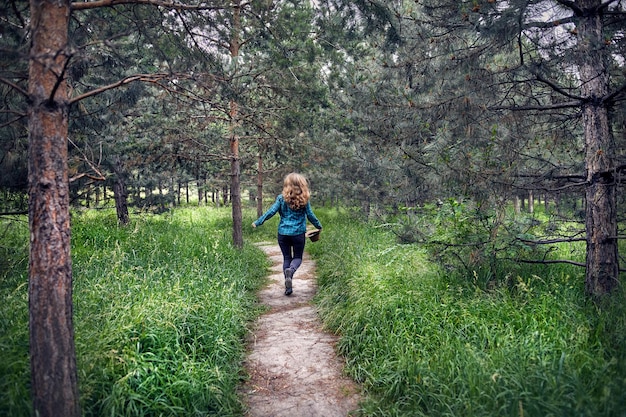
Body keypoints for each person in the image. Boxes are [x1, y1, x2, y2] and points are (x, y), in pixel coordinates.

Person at [252, 173, 322, 296]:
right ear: (302, 185)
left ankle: (288, 287)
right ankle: (291, 271)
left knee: (287, 258)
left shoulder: (281, 198)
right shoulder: (304, 199)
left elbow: (271, 212)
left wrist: (258, 222)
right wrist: (318, 225)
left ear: (287, 185)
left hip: (283, 233)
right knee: (297, 258)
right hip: (298, 234)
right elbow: (310, 215)